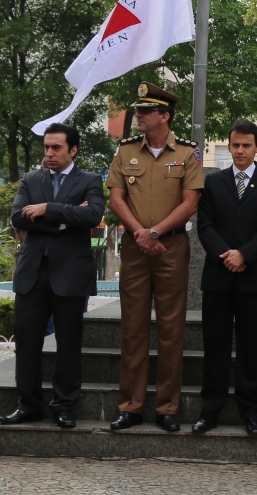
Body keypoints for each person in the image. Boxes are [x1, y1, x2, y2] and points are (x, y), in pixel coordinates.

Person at [106, 83, 203, 432]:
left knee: (170, 329)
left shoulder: (188, 154)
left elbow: (190, 203)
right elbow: (116, 199)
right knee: (132, 329)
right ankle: (130, 406)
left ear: (164, 116)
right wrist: (140, 234)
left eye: (145, 112)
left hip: (171, 248)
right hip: (135, 248)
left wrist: (156, 232)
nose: (138, 117)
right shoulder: (125, 151)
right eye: (139, 111)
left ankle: (167, 408)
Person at [0, 123, 103, 429]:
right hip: (32, 274)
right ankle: (29, 405)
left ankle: (64, 406)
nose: (49, 153)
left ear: (73, 150)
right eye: (47, 147)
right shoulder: (31, 179)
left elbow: (92, 216)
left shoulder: (90, 180)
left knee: (69, 343)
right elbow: (18, 217)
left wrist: (46, 208)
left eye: (56, 147)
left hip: (71, 274)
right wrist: (63, 220)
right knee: (28, 342)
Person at [192, 119, 257, 435]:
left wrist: (244, 254)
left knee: (250, 347)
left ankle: (251, 412)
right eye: (235, 145)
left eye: (247, 145)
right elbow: (204, 225)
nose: (240, 151)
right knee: (215, 346)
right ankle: (210, 410)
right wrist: (226, 254)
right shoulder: (213, 182)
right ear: (229, 146)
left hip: (252, 276)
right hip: (218, 276)